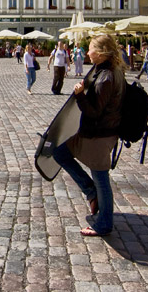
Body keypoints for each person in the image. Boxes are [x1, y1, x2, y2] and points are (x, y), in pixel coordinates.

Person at [52, 34, 125, 237]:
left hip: (99, 135)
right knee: (59, 151)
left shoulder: (107, 77)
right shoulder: (106, 70)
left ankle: (104, 223)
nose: (87, 51)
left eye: (91, 48)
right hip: (97, 132)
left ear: (100, 53)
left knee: (101, 178)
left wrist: (79, 95)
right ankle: (91, 193)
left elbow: (94, 111)